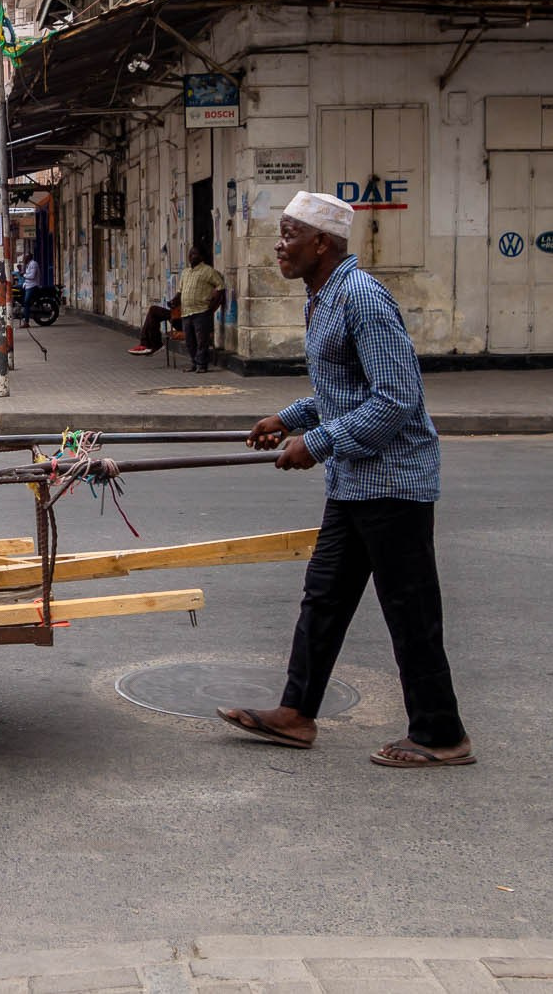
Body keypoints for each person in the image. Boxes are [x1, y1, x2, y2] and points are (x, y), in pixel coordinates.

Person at [218, 191, 471, 769]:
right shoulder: (325, 297)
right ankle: (297, 713)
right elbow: (346, 390)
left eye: (288, 235)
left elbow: (396, 400)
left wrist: (318, 442)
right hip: (356, 480)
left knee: (409, 610)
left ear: (322, 243)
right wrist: (290, 418)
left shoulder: (360, 299)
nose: (278, 246)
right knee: (324, 598)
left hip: (394, 481)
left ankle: (441, 734)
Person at [176, 243, 227, 372]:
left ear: (201, 256)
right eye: (190, 254)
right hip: (186, 312)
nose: (192, 256)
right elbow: (180, 291)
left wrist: (213, 305)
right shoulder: (185, 272)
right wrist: (174, 301)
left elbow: (220, 287)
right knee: (189, 341)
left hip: (201, 311)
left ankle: (202, 365)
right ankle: (194, 363)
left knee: (201, 340)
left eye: (195, 254)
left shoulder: (208, 271)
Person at [18, 251, 42, 324]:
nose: (23, 258)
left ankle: (26, 322)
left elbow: (32, 276)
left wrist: (23, 275)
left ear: (28, 257)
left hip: (32, 285)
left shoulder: (33, 264)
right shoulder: (28, 264)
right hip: (27, 285)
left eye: (25, 257)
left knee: (26, 302)